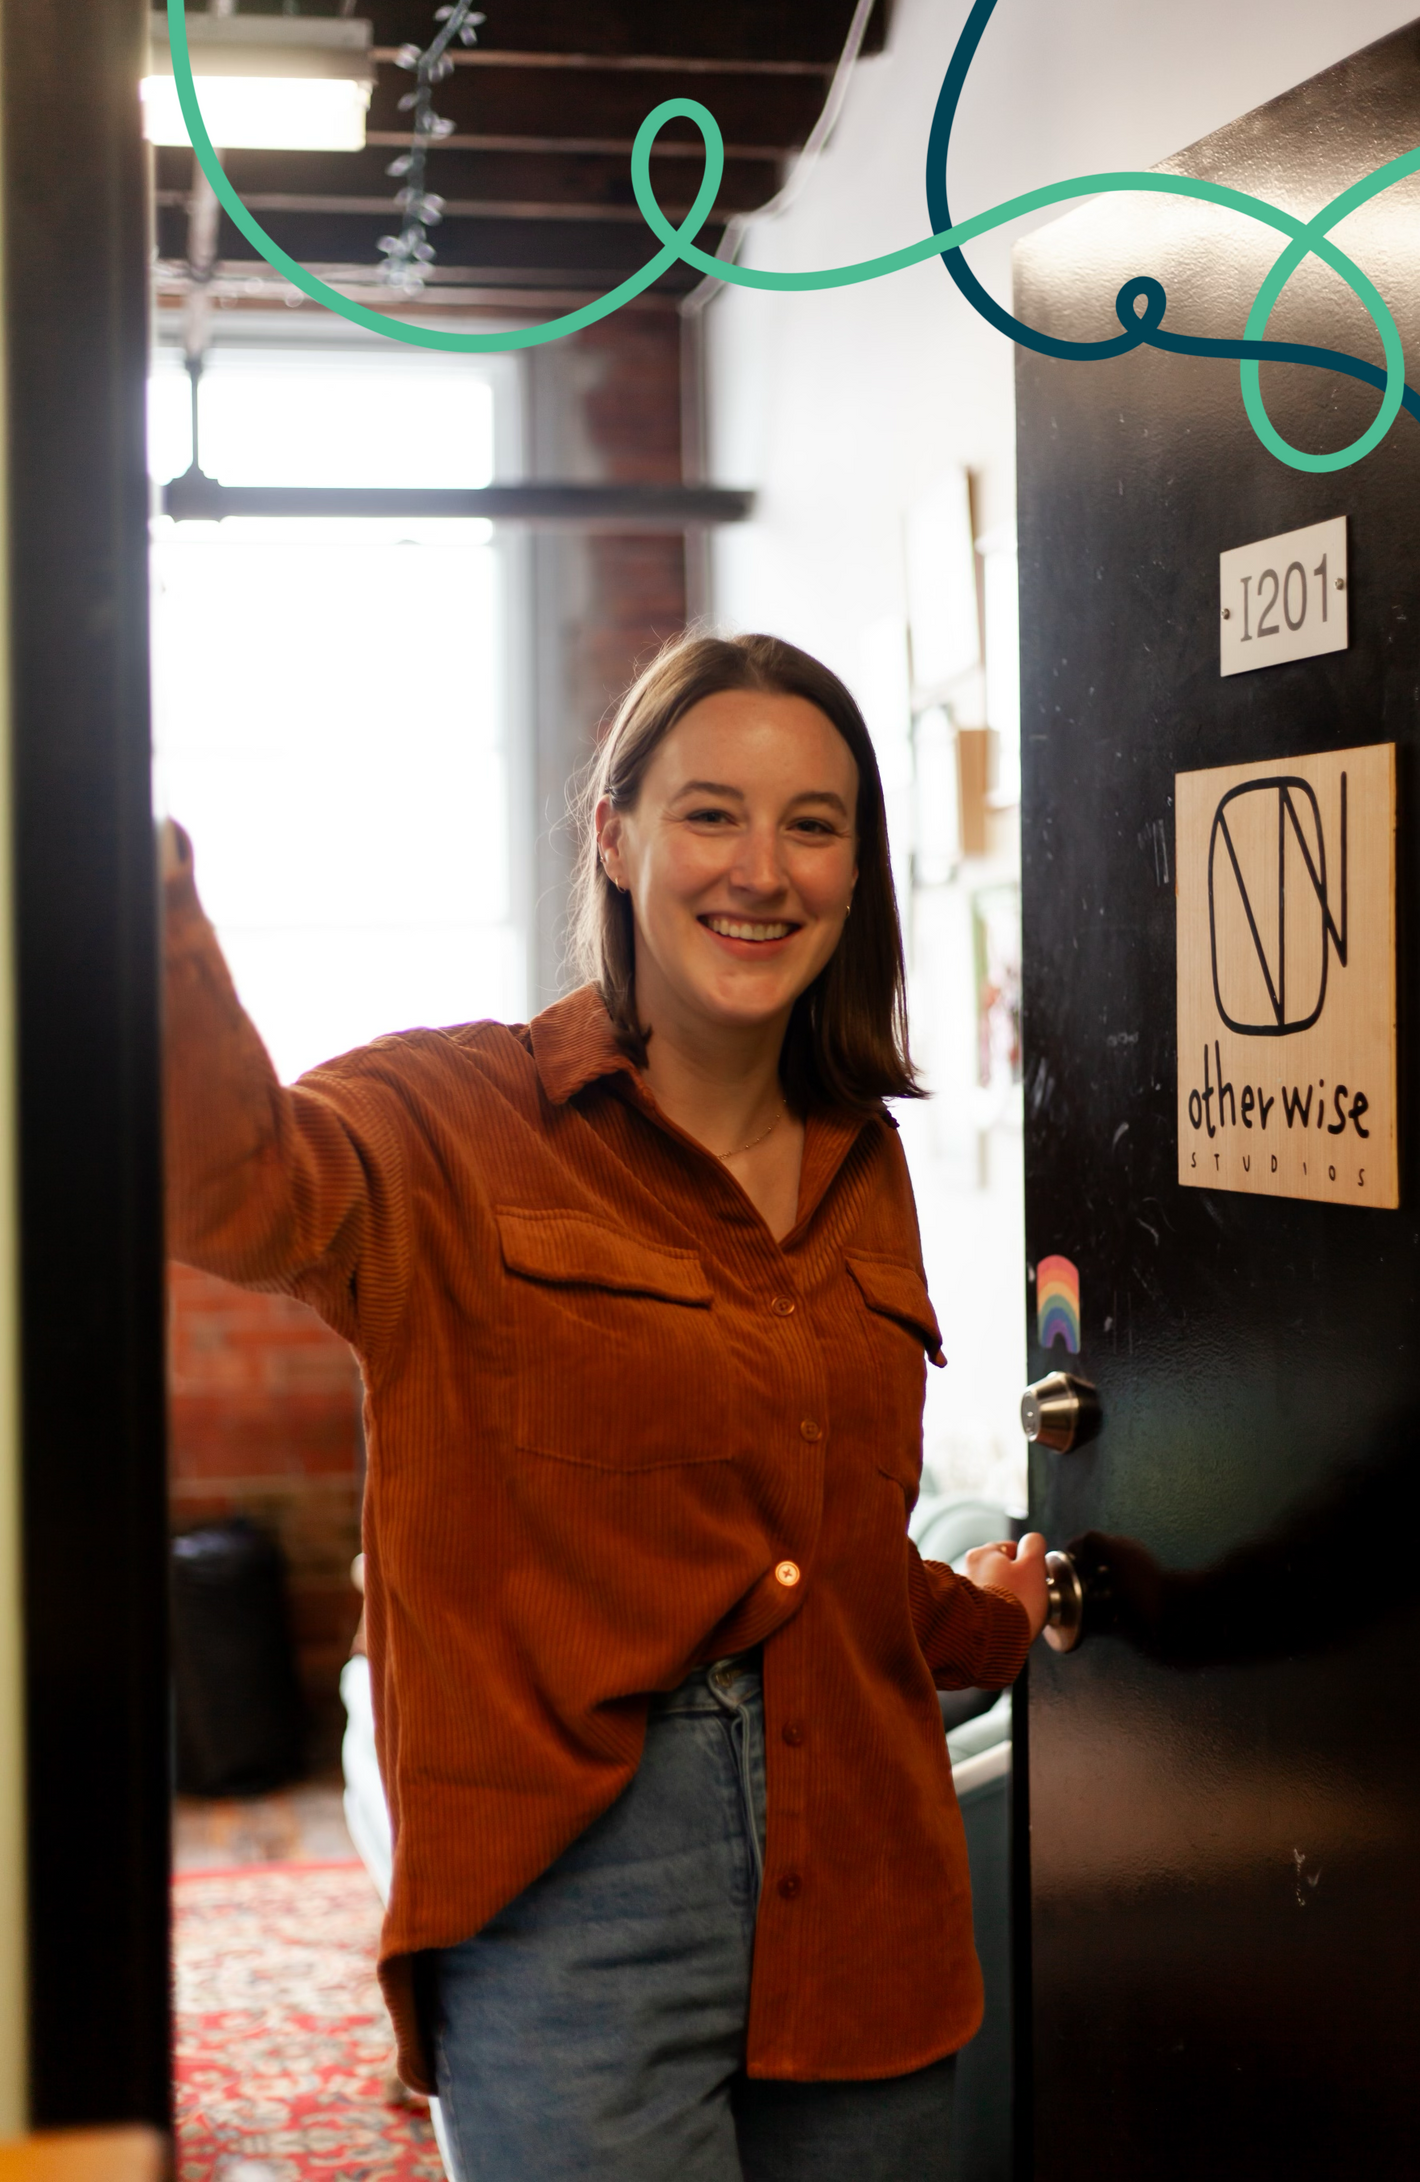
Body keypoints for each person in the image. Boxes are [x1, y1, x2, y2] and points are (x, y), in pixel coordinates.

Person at [161, 629, 1050, 2182]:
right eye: (712, 812)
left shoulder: (867, 1163)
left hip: (873, 1901)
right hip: (572, 1907)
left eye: (815, 824)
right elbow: (230, 1187)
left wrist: (982, 1617)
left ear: (857, 874)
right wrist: (136, 890)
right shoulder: (446, 1123)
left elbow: (808, 1542)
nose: (761, 869)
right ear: (617, 832)